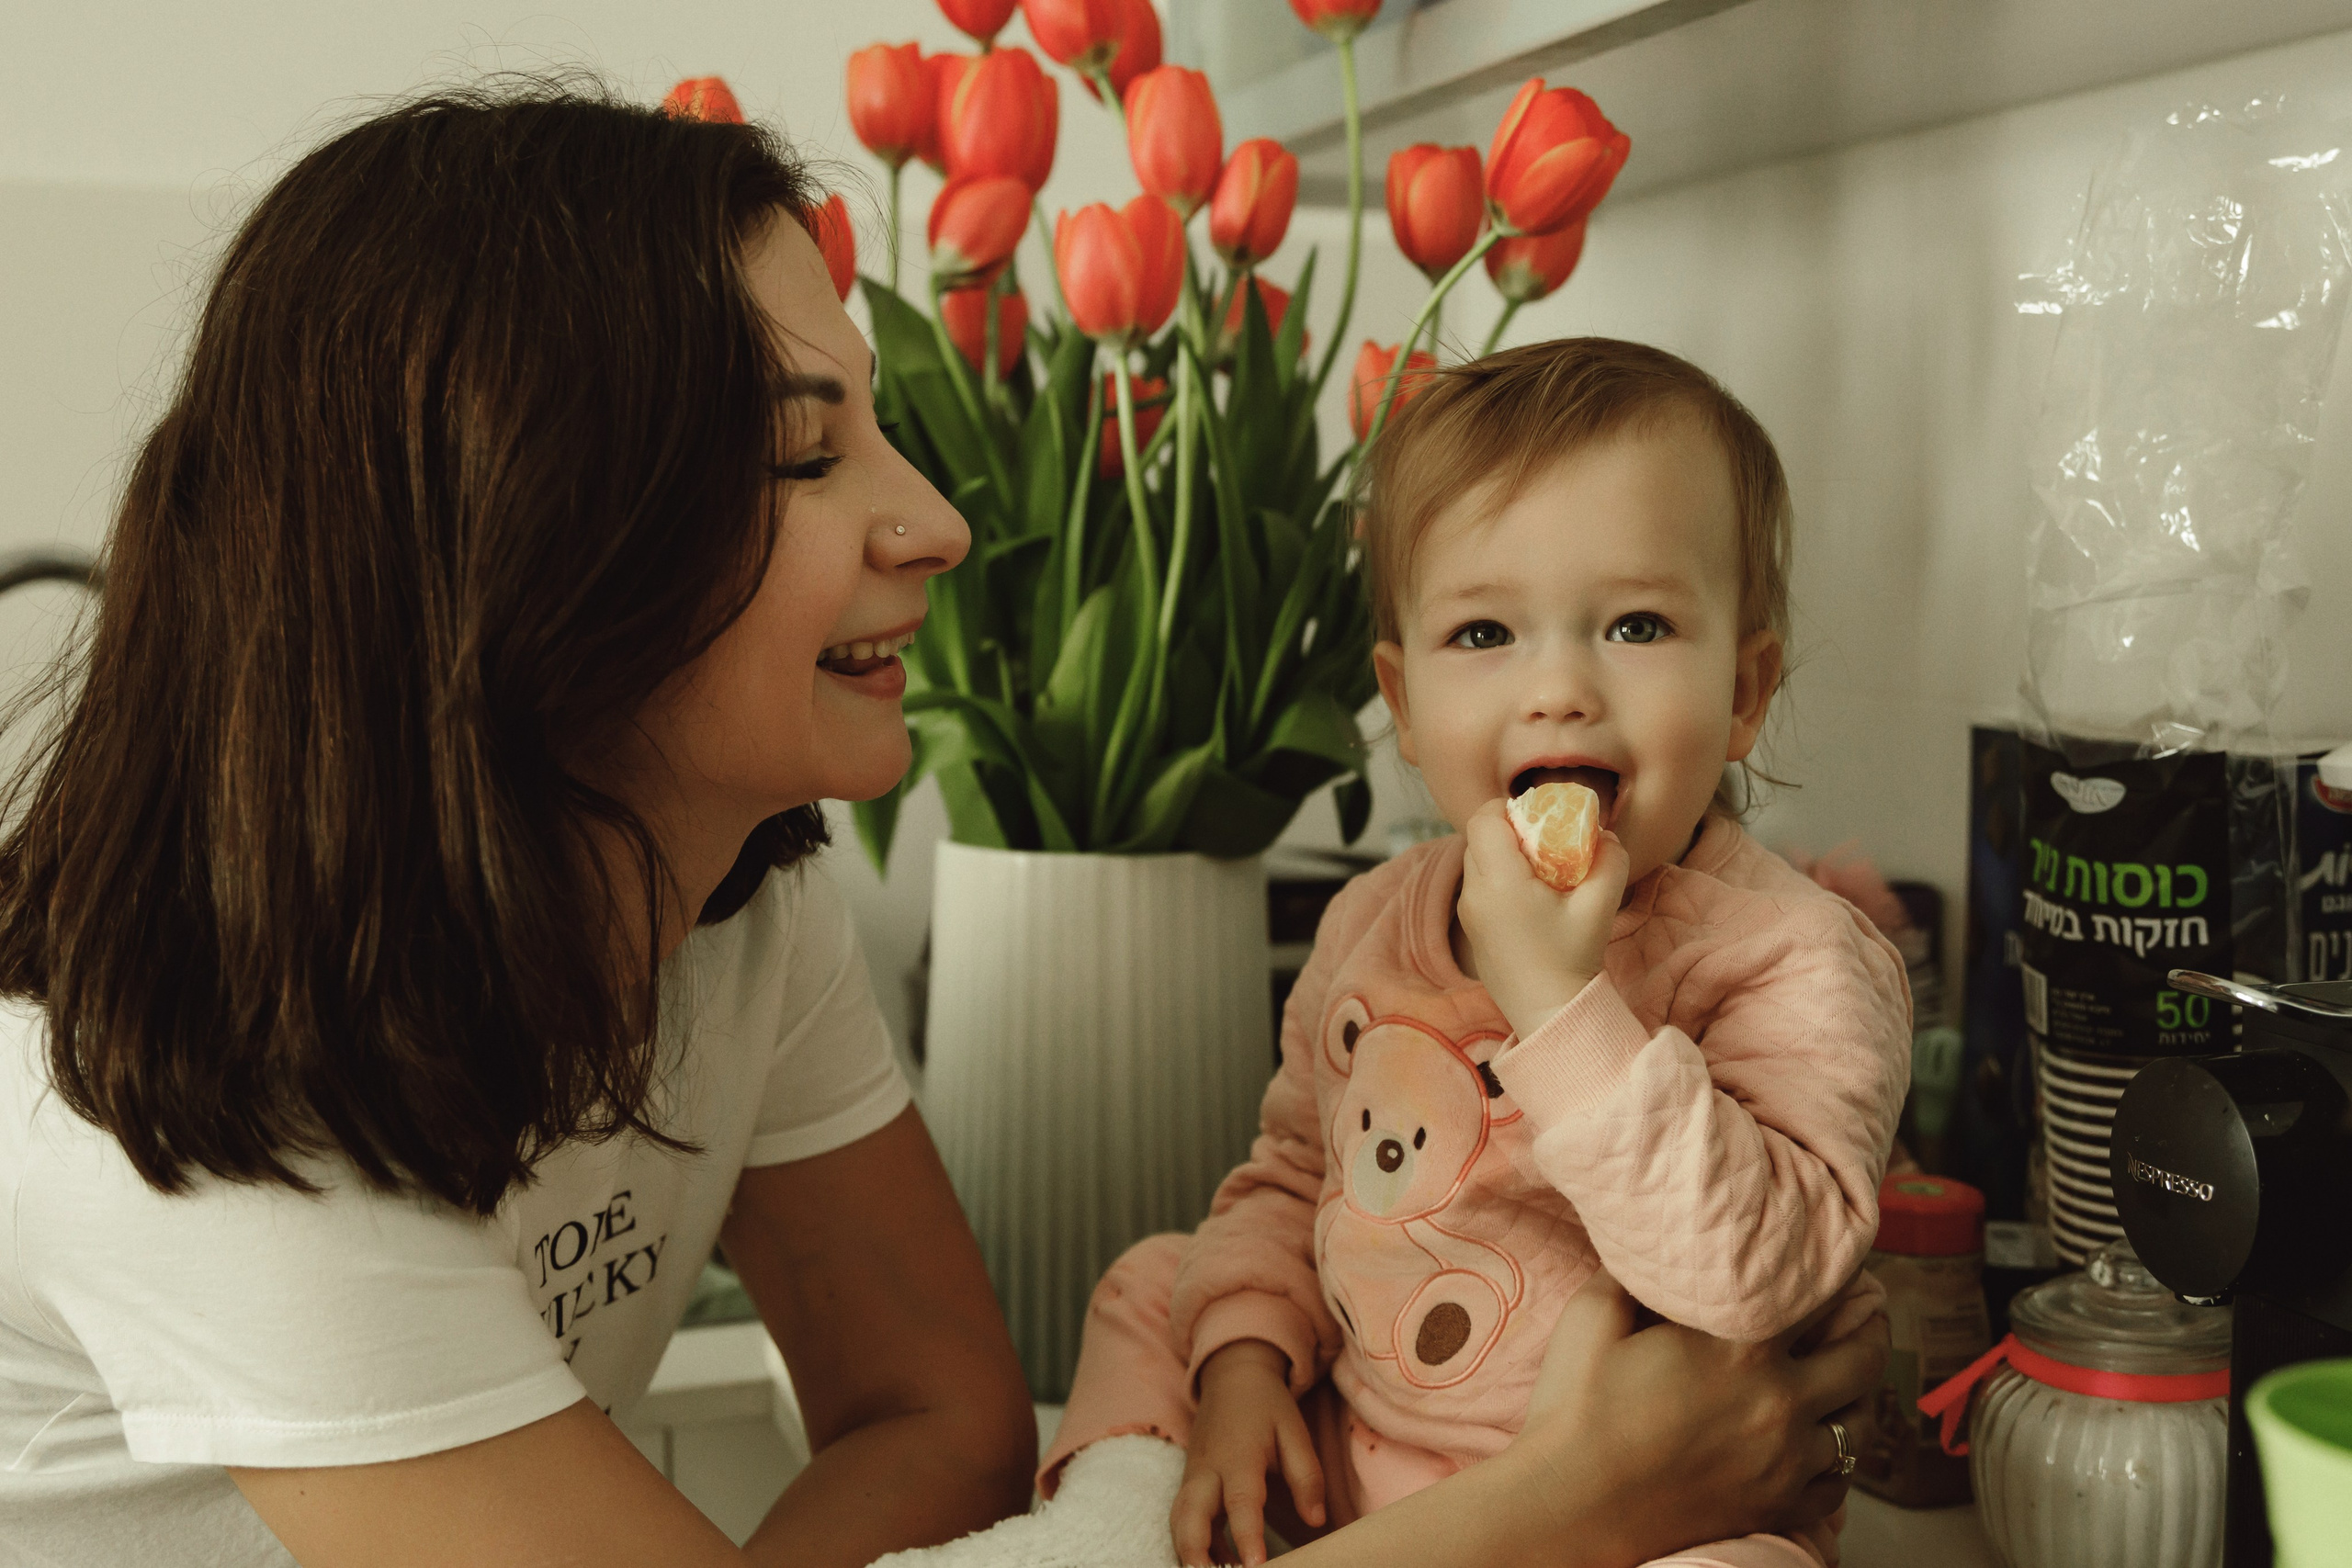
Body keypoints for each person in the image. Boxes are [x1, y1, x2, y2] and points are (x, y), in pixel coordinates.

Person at [0, 86, 1884, 1568]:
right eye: (808, 452)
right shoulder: (185, 1116)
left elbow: (939, 1415)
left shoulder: (726, 890)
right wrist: (1555, 1511)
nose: (936, 522)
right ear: (541, 538)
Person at [1026, 341, 1913, 1568]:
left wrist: (1558, 1002)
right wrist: (1242, 1375)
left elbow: (1756, 1280)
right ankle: (1120, 1529)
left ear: (1746, 690)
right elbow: (1292, 1179)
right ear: (1401, 696)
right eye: (1485, 632)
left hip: (1666, 1506)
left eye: (1638, 625)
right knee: (1158, 1283)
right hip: (1349, 1470)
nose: (1558, 688)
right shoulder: (1371, 922)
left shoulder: (1795, 960)